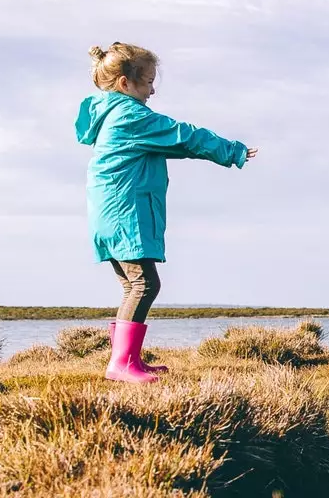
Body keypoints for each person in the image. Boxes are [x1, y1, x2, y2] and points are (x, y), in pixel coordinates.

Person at [75, 42, 258, 383]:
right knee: (144, 284)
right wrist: (231, 150)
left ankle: (129, 360)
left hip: (110, 213)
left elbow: (177, 146)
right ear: (125, 84)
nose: (152, 88)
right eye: (146, 81)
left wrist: (221, 154)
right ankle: (121, 364)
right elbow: (182, 135)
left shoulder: (113, 115)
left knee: (133, 286)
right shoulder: (131, 116)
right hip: (124, 212)